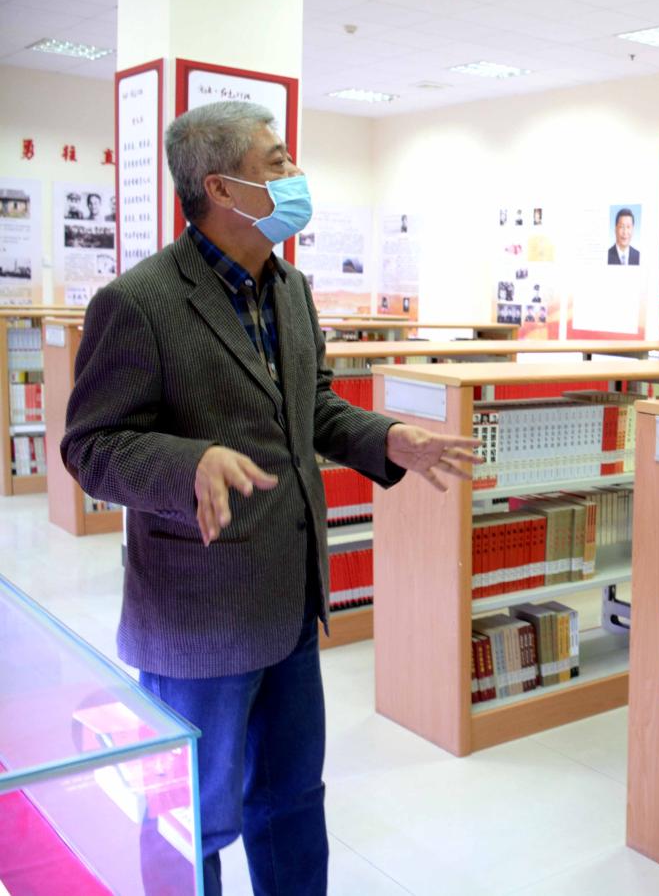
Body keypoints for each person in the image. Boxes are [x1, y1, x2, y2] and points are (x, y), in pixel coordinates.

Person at [59, 101, 481, 896]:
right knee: (192, 820)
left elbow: (310, 406)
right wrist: (189, 463)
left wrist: (388, 438)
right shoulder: (139, 301)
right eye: (278, 161)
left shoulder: (289, 288)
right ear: (221, 186)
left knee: (291, 804)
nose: (297, 176)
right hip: (200, 616)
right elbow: (91, 446)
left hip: (291, 603)